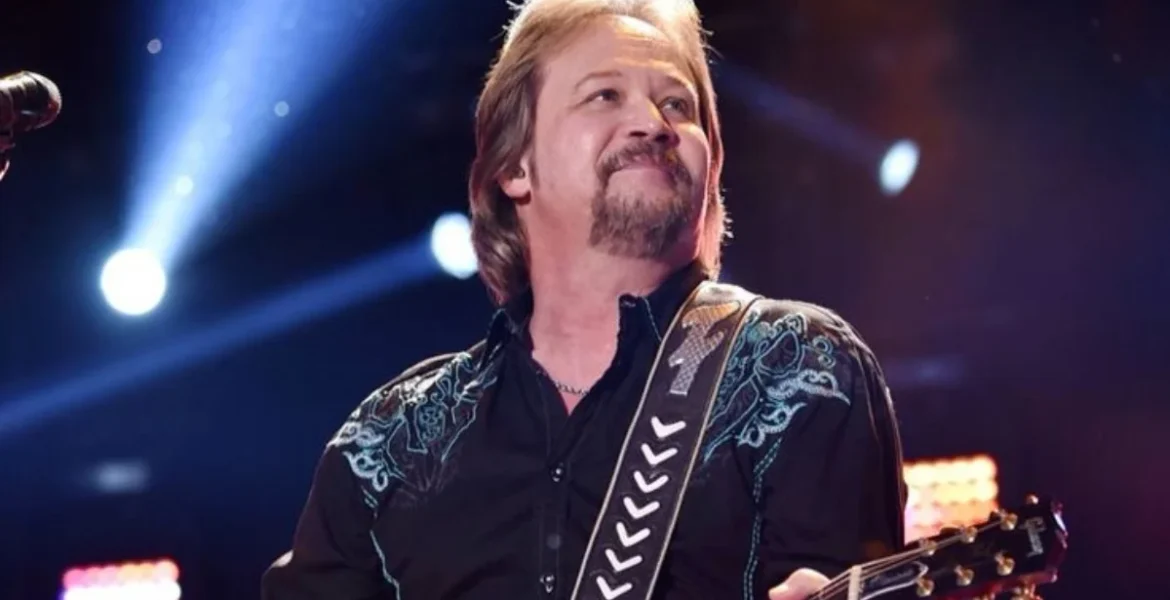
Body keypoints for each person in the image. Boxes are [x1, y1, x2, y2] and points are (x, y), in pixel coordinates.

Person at [261, 1, 906, 598]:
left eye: (678, 106)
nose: (653, 125)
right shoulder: (388, 441)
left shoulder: (800, 368)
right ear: (515, 167)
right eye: (604, 95)